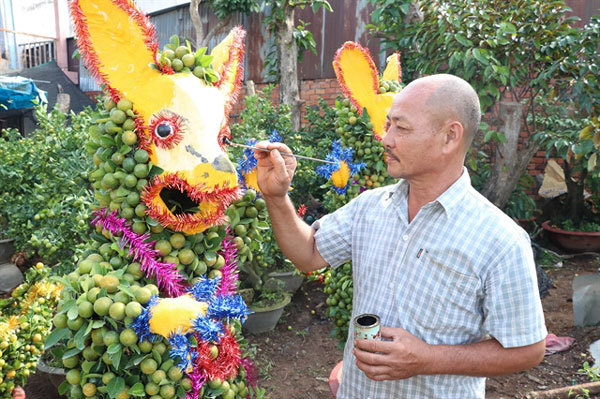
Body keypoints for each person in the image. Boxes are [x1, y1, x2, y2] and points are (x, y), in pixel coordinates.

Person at [254, 73, 546, 398]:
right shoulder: (370, 208)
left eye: (401, 128)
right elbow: (308, 253)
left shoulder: (500, 240)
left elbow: (529, 350)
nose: (386, 139)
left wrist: (429, 359)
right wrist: (277, 198)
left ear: (450, 137)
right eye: (389, 124)